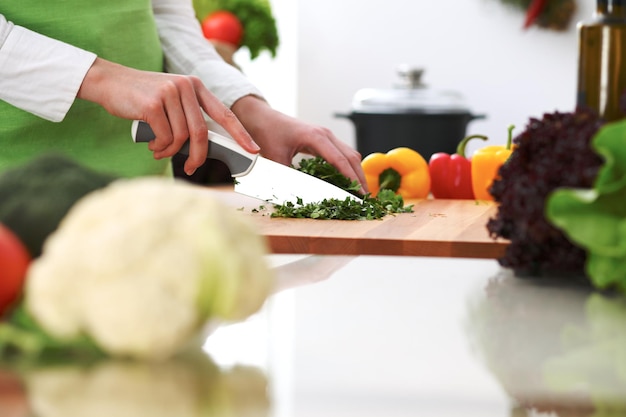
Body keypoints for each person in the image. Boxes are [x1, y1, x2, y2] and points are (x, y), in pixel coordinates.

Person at [0, 0, 367, 192]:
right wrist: (99, 77)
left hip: (143, 192)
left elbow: (165, 15)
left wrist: (246, 108)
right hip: (15, 194)